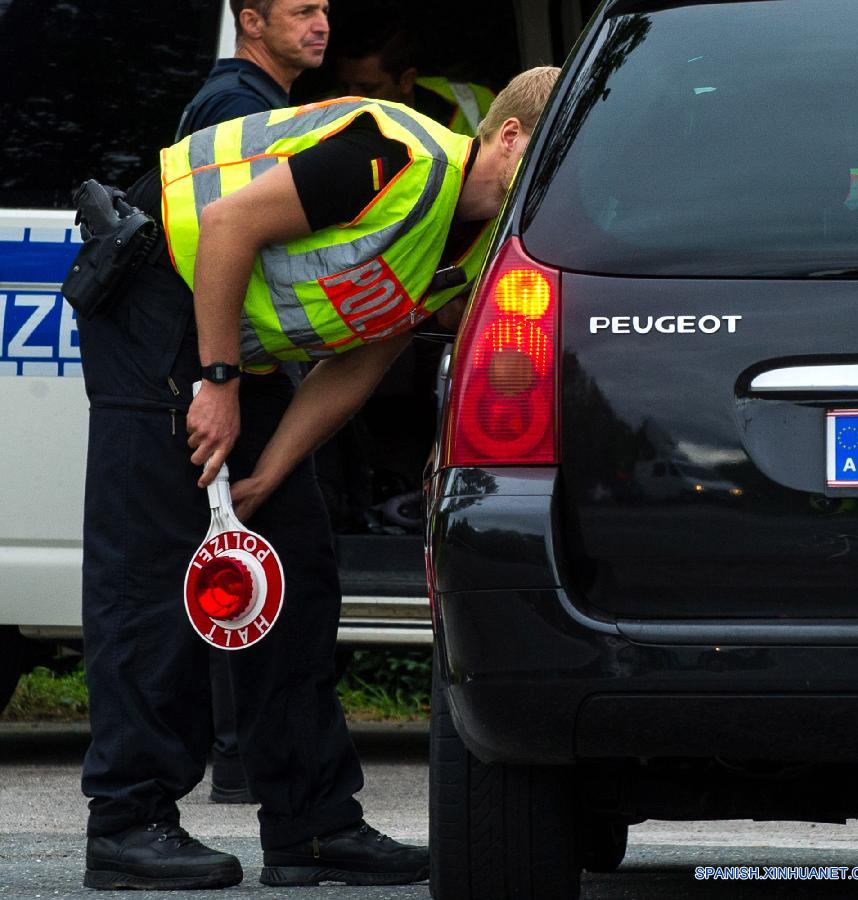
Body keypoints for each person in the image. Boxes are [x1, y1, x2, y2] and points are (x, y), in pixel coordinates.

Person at [76, 66, 560, 891]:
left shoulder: (476, 242)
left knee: (293, 566)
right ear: (509, 136)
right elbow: (228, 225)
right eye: (549, 159)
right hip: (157, 293)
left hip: (236, 339)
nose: (557, 186)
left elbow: (358, 363)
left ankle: (313, 827)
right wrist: (220, 383)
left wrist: (272, 469)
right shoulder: (397, 156)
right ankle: (127, 822)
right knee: (154, 574)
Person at [176, 0, 330, 808]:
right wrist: (224, 377)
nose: (321, 23)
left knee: (258, 563)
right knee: (262, 572)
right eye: (302, 10)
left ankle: (250, 757)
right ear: (253, 19)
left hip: (242, 368)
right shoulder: (238, 106)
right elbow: (226, 235)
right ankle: (249, 759)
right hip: (237, 374)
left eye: (326, 9)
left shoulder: (262, 104)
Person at [176, 0, 329, 140]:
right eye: (304, 12)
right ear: (253, 23)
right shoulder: (241, 105)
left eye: (325, 11)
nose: (323, 27)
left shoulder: (241, 94)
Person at [335, 21, 494, 137]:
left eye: (367, 88)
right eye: (343, 86)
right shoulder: (322, 112)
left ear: (407, 80)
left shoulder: (473, 100)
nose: (351, 98)